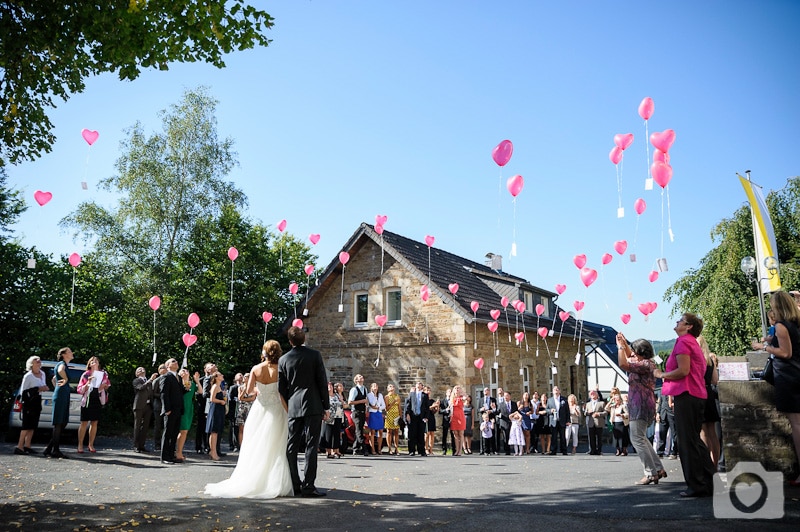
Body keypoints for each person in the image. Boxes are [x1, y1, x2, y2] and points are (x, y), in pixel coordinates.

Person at [205, 340, 294, 498]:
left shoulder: (256, 369)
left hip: (259, 410)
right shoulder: (281, 369)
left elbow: (247, 390)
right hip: (277, 409)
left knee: (255, 445)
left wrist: (259, 390)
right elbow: (283, 391)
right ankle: (274, 482)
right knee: (277, 447)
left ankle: (253, 478)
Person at [654, 312, 715, 498]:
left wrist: (661, 375)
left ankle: (696, 485)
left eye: (680, 320)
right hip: (695, 395)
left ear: (688, 326)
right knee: (694, 440)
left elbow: (683, 370)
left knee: (687, 443)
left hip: (687, 394)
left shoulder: (683, 342)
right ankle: (709, 481)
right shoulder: (692, 343)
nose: (677, 322)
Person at [752, 290, 800, 486]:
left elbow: (786, 353)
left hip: (789, 378)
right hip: (796, 375)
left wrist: (763, 347)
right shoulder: (795, 323)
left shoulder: (781, 325)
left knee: (796, 426)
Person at [279, 326, 330, 497]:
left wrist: (289, 405)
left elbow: (282, 388)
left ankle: (295, 483)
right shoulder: (314, 355)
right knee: (311, 445)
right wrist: (326, 406)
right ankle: (309, 485)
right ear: (304, 338)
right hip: (313, 404)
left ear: (290, 341)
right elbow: (322, 381)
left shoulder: (284, 359)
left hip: (294, 405)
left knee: (291, 446)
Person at [616, 334, 665, 485]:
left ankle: (651, 473)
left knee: (637, 439)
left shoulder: (645, 365)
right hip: (642, 404)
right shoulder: (644, 362)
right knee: (641, 438)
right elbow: (629, 355)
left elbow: (623, 364)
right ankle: (657, 468)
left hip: (640, 406)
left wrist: (620, 347)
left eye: (635, 352)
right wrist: (623, 342)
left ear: (641, 353)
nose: (633, 355)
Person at [77, 356, 111, 454]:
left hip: (98, 398)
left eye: (96, 361)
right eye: (92, 361)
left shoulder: (103, 374)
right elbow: (79, 389)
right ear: (89, 364)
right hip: (87, 399)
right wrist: (88, 383)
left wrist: (104, 386)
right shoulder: (85, 374)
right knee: (84, 422)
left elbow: (108, 385)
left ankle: (91, 444)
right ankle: (80, 444)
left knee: (94, 422)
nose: (94, 362)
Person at [14, 356, 48, 455]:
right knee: (26, 425)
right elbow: (23, 391)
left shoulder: (42, 374)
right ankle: (19, 446)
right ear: (31, 364)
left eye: (39, 361)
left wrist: (43, 388)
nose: (38, 362)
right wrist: (38, 389)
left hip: (37, 400)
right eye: (36, 361)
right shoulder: (28, 376)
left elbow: (43, 386)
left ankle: (27, 446)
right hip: (28, 402)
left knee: (33, 425)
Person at [44, 347, 74, 459]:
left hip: (63, 394)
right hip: (61, 395)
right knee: (59, 422)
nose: (72, 353)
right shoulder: (62, 364)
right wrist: (65, 379)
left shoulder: (64, 365)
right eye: (70, 352)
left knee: (63, 422)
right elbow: (60, 371)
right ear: (64, 354)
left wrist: (56, 385)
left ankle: (49, 449)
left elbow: (53, 378)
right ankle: (55, 450)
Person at [697, 336, 721, 470]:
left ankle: (706, 465)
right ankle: (715, 464)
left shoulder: (695, 359)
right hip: (709, 394)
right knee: (712, 432)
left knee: (703, 432)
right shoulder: (710, 360)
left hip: (698, 393)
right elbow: (715, 380)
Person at [160, 358, 184, 464]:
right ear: (168, 365)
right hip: (170, 410)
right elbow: (164, 394)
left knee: (174, 433)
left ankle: (171, 455)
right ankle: (164, 457)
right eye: (173, 361)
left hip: (178, 409)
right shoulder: (166, 376)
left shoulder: (178, 377)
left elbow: (181, 392)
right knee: (168, 433)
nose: (176, 362)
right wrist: (167, 409)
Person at [176, 368, 199, 462]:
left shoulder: (192, 384)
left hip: (189, 407)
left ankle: (179, 451)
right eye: (182, 371)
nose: (185, 372)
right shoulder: (178, 383)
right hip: (181, 407)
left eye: (186, 371)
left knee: (185, 431)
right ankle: (178, 452)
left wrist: (197, 381)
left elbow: (200, 392)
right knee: (182, 430)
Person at [132, 367, 157, 453]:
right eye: (139, 370)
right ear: (137, 374)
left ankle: (142, 445)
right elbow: (141, 388)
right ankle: (136, 446)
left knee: (145, 427)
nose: (141, 370)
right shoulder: (136, 381)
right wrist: (150, 380)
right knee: (137, 426)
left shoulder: (149, 381)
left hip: (148, 406)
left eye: (142, 369)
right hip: (139, 406)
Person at [206, 371, 227, 462]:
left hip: (219, 409)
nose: (222, 375)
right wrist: (221, 401)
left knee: (216, 431)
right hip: (215, 409)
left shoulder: (220, 386)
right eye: (220, 375)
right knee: (214, 432)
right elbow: (212, 399)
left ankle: (214, 451)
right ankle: (213, 452)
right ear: (216, 377)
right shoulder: (215, 386)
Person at [405, 381, 429, 456]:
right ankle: (411, 450)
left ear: (422, 386)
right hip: (413, 416)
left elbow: (427, 407)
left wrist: (426, 417)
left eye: (420, 385)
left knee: (420, 434)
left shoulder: (424, 395)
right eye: (417, 384)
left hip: (421, 417)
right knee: (412, 434)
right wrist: (407, 414)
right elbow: (408, 405)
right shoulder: (412, 394)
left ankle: (421, 451)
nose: (418, 386)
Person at [348, 374, 369, 456]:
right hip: (356, 412)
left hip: (362, 412)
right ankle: (364, 448)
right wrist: (361, 401)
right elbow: (350, 402)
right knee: (359, 431)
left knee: (359, 429)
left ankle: (355, 448)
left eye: (362, 376)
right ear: (356, 380)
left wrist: (366, 409)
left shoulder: (365, 389)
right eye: (359, 377)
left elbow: (366, 401)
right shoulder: (354, 390)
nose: (362, 377)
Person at [322, 382, 344, 458]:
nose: (330, 388)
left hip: (338, 416)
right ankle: (328, 451)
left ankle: (335, 451)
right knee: (328, 434)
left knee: (336, 434)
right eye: (328, 386)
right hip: (329, 416)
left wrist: (342, 401)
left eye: (331, 386)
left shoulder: (337, 395)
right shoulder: (325, 396)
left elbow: (343, 404)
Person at [547, 386, 569, 455]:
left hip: (562, 421)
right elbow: (546, 410)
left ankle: (564, 450)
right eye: (554, 390)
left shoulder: (564, 400)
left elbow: (567, 411)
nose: (556, 391)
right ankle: (553, 450)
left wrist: (568, 420)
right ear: (552, 392)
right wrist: (551, 410)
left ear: (559, 391)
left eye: (557, 390)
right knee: (554, 437)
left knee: (563, 437)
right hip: (554, 421)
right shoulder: (550, 400)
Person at [583, 389, 606, 455]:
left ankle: (599, 450)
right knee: (591, 437)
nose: (592, 395)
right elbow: (585, 413)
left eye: (594, 394)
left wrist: (598, 414)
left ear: (597, 395)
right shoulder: (588, 404)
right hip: (590, 422)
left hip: (599, 422)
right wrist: (587, 412)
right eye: (591, 394)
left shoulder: (601, 403)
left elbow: (605, 412)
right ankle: (592, 450)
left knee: (599, 437)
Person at [656, 392, 678, 459]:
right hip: (663, 414)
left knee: (675, 434)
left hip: (672, 414)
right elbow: (660, 403)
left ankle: (674, 452)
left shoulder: (674, 389)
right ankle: (660, 452)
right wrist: (658, 413)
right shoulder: (663, 390)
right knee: (662, 434)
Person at [367, 382, 386, 455]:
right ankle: (373, 449)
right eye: (373, 386)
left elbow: (383, 405)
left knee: (380, 431)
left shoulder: (380, 395)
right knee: (372, 432)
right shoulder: (369, 395)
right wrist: (374, 395)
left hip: (379, 413)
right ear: (371, 387)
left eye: (376, 386)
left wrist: (378, 408)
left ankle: (379, 448)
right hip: (372, 414)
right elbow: (372, 404)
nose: (375, 387)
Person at [151, 363, 167, 452]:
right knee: (158, 425)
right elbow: (153, 393)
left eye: (165, 367)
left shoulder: (169, 379)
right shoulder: (157, 380)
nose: (163, 369)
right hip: (158, 405)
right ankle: (157, 444)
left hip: (167, 406)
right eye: (161, 368)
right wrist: (162, 396)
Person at [237, 372, 255, 447]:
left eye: (247, 376)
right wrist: (244, 390)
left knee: (251, 428)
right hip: (242, 409)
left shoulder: (254, 387)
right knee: (241, 428)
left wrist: (244, 399)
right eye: (244, 376)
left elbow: (253, 398)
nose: (245, 377)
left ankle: (249, 445)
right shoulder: (240, 387)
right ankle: (241, 446)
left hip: (250, 409)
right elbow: (240, 398)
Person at [496, 391, 516, 455]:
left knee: (513, 436)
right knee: (506, 437)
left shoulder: (513, 404)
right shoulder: (501, 404)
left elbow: (516, 412)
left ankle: (515, 449)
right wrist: (495, 411)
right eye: (504, 396)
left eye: (507, 396)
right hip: (504, 422)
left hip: (512, 422)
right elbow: (497, 413)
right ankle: (507, 450)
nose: (505, 397)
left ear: (510, 396)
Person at [448, 385, 466, 456]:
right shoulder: (452, 398)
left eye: (458, 388)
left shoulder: (461, 398)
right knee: (455, 434)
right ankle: (457, 449)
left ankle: (460, 450)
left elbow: (465, 398)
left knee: (461, 433)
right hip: (454, 416)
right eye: (456, 388)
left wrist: (462, 394)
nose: (457, 389)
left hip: (460, 416)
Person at [383, 383, 401, 455]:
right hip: (390, 414)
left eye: (393, 386)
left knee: (396, 431)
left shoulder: (397, 396)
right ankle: (389, 448)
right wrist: (394, 402)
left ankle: (396, 448)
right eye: (390, 386)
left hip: (396, 415)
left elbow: (399, 406)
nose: (392, 387)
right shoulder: (387, 397)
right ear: (388, 389)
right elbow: (386, 408)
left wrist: (400, 415)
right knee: (389, 431)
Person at [228, 373, 243, 452]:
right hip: (234, 410)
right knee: (233, 428)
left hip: (242, 410)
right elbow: (230, 399)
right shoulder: (233, 388)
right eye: (239, 375)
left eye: (241, 375)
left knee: (240, 428)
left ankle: (240, 443)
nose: (241, 376)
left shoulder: (245, 387)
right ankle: (233, 444)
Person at [423, 385, 438, 456]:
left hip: (431, 418)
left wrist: (436, 408)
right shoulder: (423, 400)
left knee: (432, 434)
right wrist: (432, 406)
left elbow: (433, 411)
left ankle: (431, 448)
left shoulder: (432, 401)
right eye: (426, 390)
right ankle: (426, 448)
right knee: (427, 434)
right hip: (426, 418)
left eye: (429, 390)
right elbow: (425, 408)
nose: (428, 392)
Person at [439, 387, 452, 455]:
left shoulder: (453, 400)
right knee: (445, 435)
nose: (450, 393)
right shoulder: (443, 401)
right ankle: (444, 449)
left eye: (451, 392)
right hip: (446, 419)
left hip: (453, 420)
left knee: (453, 435)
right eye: (449, 392)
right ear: (446, 393)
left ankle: (454, 449)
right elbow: (440, 411)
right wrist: (445, 410)